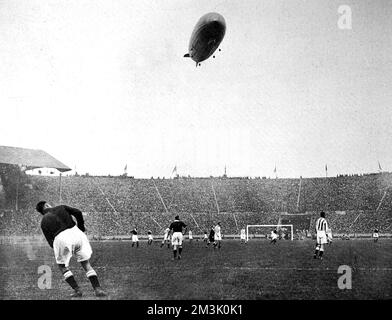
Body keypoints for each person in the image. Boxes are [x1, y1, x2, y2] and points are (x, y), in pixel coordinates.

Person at [36, 201, 106, 297]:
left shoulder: (43, 221)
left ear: (41, 212)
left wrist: (59, 250)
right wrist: (81, 227)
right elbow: (78, 212)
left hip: (60, 238)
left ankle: (77, 290)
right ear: (46, 205)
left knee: (62, 266)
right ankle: (98, 289)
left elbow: (50, 241)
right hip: (77, 234)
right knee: (86, 263)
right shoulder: (61, 207)